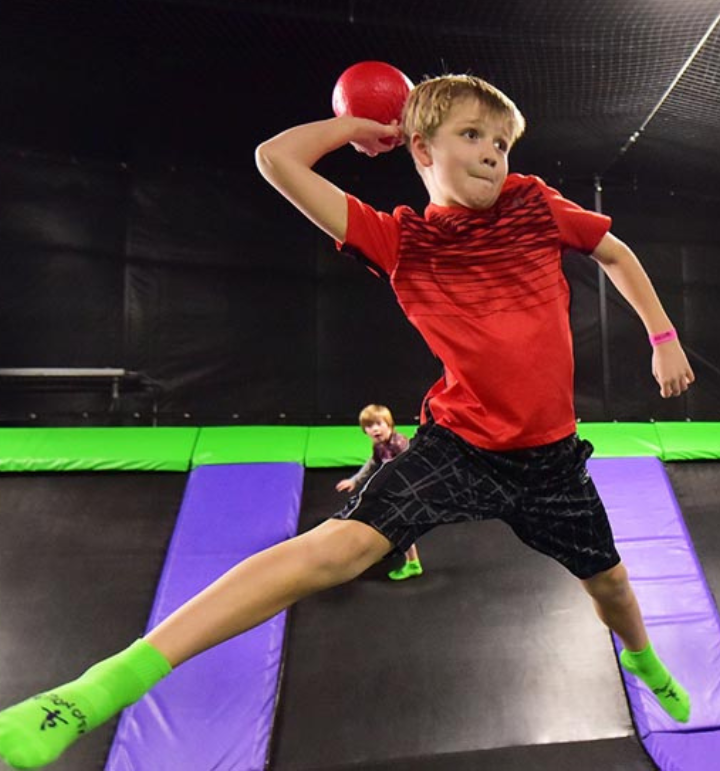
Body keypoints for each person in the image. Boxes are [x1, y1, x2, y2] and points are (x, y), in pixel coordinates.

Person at [0, 73, 696, 769]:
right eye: (472, 136)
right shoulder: (399, 241)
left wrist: (663, 338)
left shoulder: (532, 204)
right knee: (337, 551)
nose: (494, 154)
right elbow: (276, 160)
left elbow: (615, 252)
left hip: (550, 460)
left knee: (610, 584)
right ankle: (102, 685)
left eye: (502, 142)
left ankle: (645, 663)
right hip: (461, 447)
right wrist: (359, 129)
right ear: (421, 150)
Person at [336, 403, 422, 580]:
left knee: (400, 527)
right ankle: (382, 551)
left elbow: (411, 468)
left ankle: (413, 563)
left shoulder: (400, 444)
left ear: (389, 424)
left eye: (379, 424)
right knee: (380, 523)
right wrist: (354, 480)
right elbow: (372, 465)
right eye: (369, 426)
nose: (375, 429)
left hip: (406, 493)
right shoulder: (379, 446)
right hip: (392, 492)